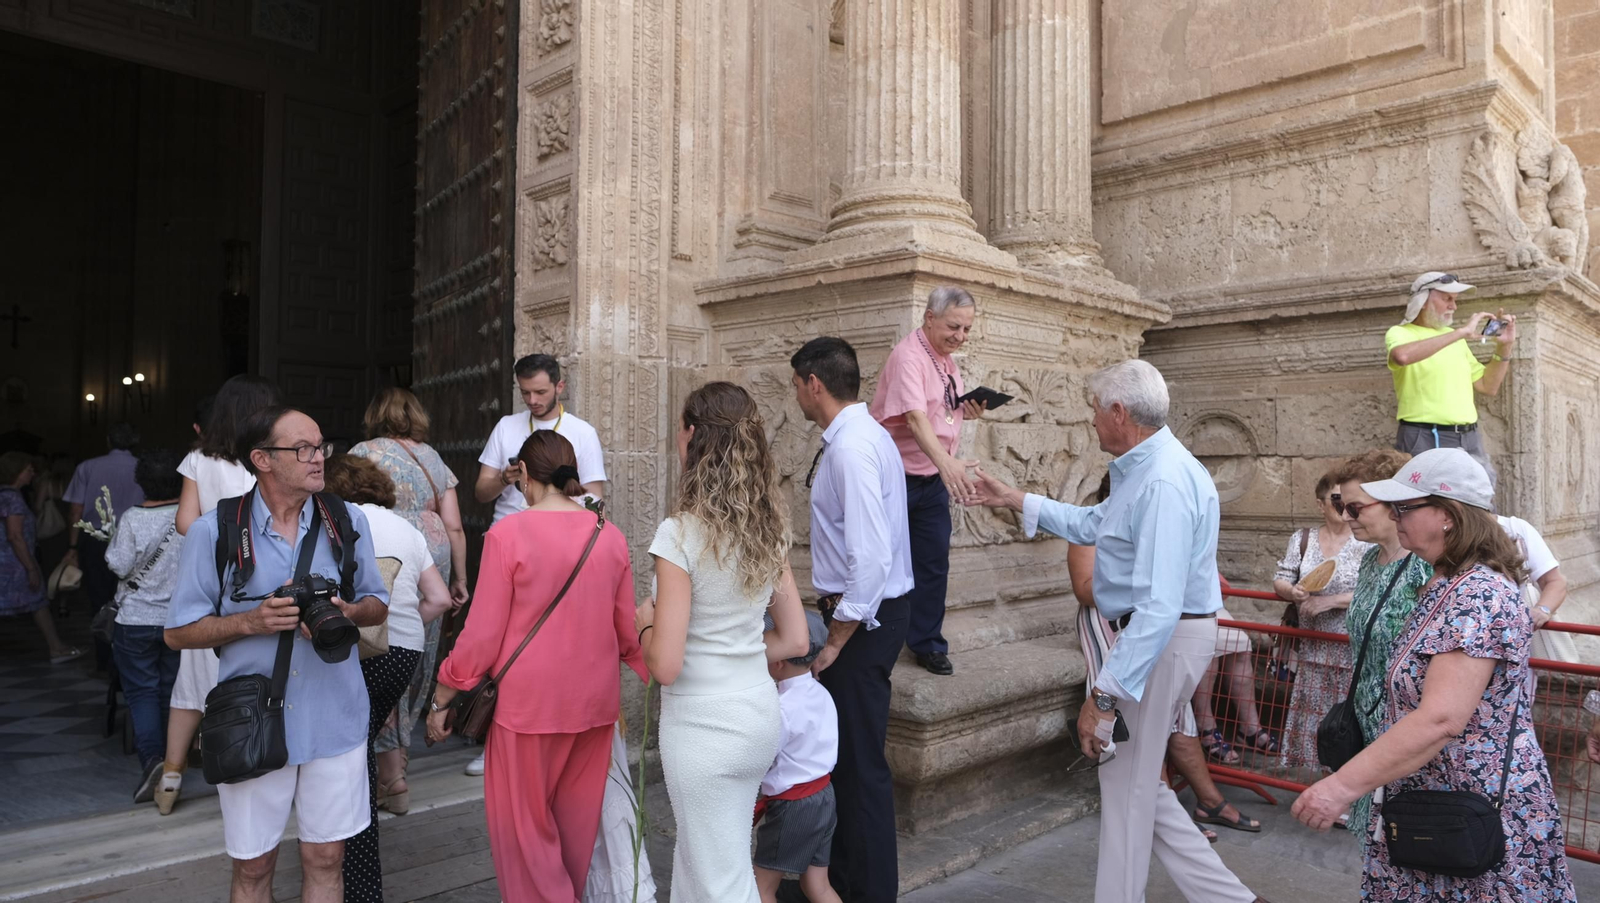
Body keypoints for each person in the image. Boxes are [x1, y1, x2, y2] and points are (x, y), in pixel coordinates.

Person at [966, 359, 1267, 903]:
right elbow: (1094, 525)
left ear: (1119, 413)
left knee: (1127, 791)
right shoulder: (1148, 468)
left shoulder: (1164, 480)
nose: (1092, 424)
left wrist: (1104, 697)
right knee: (1137, 786)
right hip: (1160, 639)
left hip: (1161, 639)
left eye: (1094, 413)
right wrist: (1013, 498)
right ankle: (1230, 898)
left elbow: (1158, 605)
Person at [1292, 448, 1575, 901]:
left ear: (1447, 516)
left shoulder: (1477, 594)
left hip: (1468, 813)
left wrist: (1341, 786)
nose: (1396, 516)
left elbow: (1441, 718)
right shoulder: (1447, 584)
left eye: (1406, 506)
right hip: (1434, 805)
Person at [164, 407, 390, 903]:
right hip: (253, 719)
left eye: (321, 447)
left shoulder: (346, 520)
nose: (318, 459)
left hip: (336, 716)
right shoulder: (215, 531)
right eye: (302, 449)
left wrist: (348, 611)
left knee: (327, 858)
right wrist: (251, 622)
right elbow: (177, 633)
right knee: (253, 866)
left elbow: (378, 603)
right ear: (262, 459)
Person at [427, 431, 646, 902]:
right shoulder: (608, 535)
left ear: (523, 474)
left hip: (528, 709)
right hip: (593, 706)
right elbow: (628, 632)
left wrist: (443, 694)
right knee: (574, 834)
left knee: (525, 837)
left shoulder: (508, 534)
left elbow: (482, 636)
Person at [635, 381, 809, 902]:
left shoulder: (680, 534)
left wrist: (645, 622)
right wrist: (740, 654)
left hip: (701, 727)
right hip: (756, 714)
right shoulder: (768, 529)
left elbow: (664, 664)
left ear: (691, 438)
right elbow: (796, 636)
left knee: (719, 879)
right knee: (702, 862)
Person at [790, 337, 914, 903]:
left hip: (865, 619)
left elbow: (871, 556)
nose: (795, 393)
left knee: (861, 764)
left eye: (795, 383)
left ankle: (867, 891)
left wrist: (839, 636)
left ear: (814, 382)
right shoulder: (860, 437)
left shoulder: (852, 446)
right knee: (846, 757)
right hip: (868, 614)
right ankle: (839, 882)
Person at [1067, 478, 1261, 838]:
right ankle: (1159, 813)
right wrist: (1147, 578)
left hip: (1149, 622)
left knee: (1176, 712)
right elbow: (1084, 588)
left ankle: (1208, 800)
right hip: (1106, 623)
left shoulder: (1161, 529)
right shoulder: (1090, 526)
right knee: (1132, 715)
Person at [468, 352, 607, 777]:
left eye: (540, 392)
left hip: (559, 548)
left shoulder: (582, 432)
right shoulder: (506, 427)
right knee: (502, 636)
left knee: (553, 638)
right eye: (525, 392)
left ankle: (557, 731)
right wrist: (507, 479)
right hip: (509, 542)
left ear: (560, 387)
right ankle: (494, 737)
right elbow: (480, 493)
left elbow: (597, 500)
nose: (532, 400)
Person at [322, 454, 451, 903]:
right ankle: (352, 877)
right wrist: (402, 623)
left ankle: (356, 882)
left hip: (353, 650)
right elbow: (438, 599)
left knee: (349, 759)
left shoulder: (335, 524)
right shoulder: (408, 531)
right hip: (403, 654)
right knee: (357, 751)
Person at [160, 373, 281, 815]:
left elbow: (184, 522)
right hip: (254, 580)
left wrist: (217, 536)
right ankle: (245, 770)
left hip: (208, 581)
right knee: (250, 675)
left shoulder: (198, 458)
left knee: (190, 682)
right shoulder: (263, 460)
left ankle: (169, 781)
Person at [348, 388, 471, 801]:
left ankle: (390, 773)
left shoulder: (363, 450)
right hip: (430, 549)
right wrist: (459, 577)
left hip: (383, 546)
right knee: (414, 652)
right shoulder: (432, 456)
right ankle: (400, 764)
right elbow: (453, 524)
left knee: (380, 646)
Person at [868, 285, 985, 676]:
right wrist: (948, 464)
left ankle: (927, 644)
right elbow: (916, 419)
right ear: (929, 318)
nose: (960, 336)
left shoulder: (945, 359)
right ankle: (874, 639)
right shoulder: (909, 356)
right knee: (884, 562)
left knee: (933, 563)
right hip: (898, 475)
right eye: (954, 326)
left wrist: (968, 408)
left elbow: (941, 412)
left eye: (967, 329)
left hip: (931, 476)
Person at [1325, 448, 1433, 846]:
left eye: (1355, 507)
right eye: (1340, 505)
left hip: (1405, 728)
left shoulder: (1425, 566)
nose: (1345, 517)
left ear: (1393, 505)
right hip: (1366, 721)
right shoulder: (1370, 561)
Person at [1272, 470, 1369, 771]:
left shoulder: (1366, 541)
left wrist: (1329, 601)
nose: (1344, 506)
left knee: (1346, 719)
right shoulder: (1303, 539)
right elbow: (1281, 578)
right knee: (1313, 715)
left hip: (1350, 650)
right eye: (1337, 499)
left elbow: (1375, 591)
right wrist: (1293, 591)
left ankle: (1346, 782)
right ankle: (1317, 783)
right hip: (1313, 651)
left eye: (1350, 501)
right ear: (1321, 503)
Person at [104, 448, 185, 804]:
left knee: (141, 694)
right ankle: (171, 765)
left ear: (141, 483)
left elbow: (120, 565)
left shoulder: (133, 518)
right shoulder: (189, 517)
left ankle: (152, 759)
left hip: (135, 620)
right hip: (177, 622)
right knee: (170, 693)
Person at [1386, 272, 1513, 486]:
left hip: (1469, 436)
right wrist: (1461, 332)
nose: (1453, 307)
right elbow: (1402, 356)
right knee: (1429, 505)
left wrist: (1504, 346)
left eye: (1455, 300)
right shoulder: (1400, 332)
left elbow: (1487, 386)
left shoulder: (1455, 339)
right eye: (1447, 298)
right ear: (1423, 300)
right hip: (1425, 434)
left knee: (1481, 503)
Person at [754, 611, 842, 903]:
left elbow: (762, 757)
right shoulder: (822, 693)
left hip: (794, 808)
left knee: (761, 889)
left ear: (777, 662)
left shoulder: (780, 709)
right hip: (824, 797)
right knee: (818, 885)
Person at [63, 422, 145, 665]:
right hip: (135, 538)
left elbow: (75, 509)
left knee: (99, 599)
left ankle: (104, 659)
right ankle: (128, 660)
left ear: (108, 441)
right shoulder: (142, 467)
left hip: (96, 538)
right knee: (132, 598)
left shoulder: (87, 467)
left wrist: (72, 547)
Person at [0, 452, 83, 662]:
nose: (33, 473)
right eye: (29, 469)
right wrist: (30, 567)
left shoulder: (5, 494)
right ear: (17, 472)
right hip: (14, 561)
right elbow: (15, 535)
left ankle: (56, 646)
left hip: (10, 559)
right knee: (38, 600)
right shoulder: (12, 498)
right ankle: (56, 647)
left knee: (37, 602)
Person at [1496, 513, 1572, 660]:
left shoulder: (1515, 528)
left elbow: (1555, 581)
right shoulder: (1444, 532)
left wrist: (1542, 610)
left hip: (1518, 651)